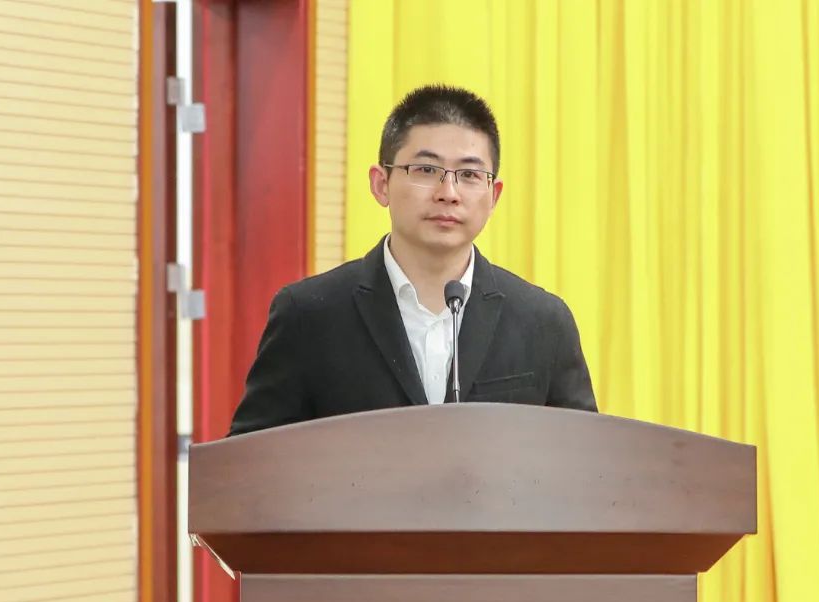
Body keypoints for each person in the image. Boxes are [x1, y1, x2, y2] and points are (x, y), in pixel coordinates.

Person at [229, 84, 596, 436]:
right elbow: (253, 462)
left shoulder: (543, 322)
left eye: (469, 175)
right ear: (381, 184)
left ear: (493, 195)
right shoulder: (308, 315)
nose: (448, 193)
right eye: (426, 170)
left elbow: (584, 462)